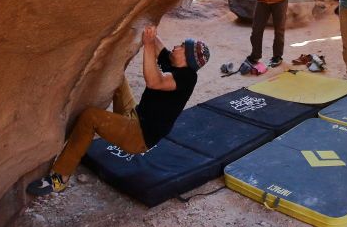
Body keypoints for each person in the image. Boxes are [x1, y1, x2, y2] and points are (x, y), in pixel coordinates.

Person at [26, 25, 210, 195]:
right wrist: (149, 26)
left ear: (186, 59)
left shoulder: (186, 77)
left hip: (139, 136)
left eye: (181, 47)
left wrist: (147, 45)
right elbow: (155, 41)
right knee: (117, 78)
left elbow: (154, 82)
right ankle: (98, 126)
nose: (176, 47)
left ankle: (60, 177)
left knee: (90, 117)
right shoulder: (173, 61)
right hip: (135, 115)